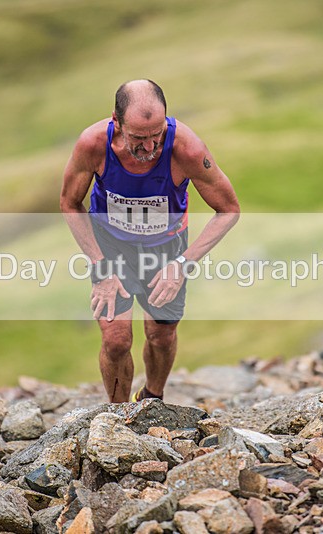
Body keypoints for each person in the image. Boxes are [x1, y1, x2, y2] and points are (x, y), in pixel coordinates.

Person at [60, 79, 240, 403]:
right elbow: (70, 203)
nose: (150, 147)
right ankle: (118, 416)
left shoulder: (187, 149)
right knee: (116, 340)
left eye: (157, 135)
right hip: (111, 246)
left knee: (161, 335)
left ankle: (151, 400)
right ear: (116, 121)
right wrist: (100, 266)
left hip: (166, 248)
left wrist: (182, 264)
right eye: (138, 138)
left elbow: (229, 210)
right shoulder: (93, 144)